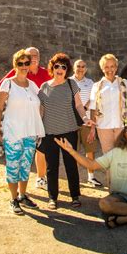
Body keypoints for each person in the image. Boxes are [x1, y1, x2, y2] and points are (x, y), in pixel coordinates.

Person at [0, 49, 45, 215]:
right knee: (13, 167)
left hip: (30, 132)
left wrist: (39, 119)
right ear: (15, 65)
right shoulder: (8, 83)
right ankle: (13, 199)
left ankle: (22, 195)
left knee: (25, 166)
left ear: (30, 65)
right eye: (20, 63)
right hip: (13, 132)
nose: (23, 66)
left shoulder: (33, 86)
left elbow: (42, 104)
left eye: (26, 63)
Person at [37, 53, 94, 210]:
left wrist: (85, 118)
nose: (60, 69)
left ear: (67, 69)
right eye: (57, 66)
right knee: (52, 166)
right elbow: (41, 110)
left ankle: (75, 196)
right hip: (49, 133)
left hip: (69, 131)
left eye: (63, 67)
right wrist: (37, 129)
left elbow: (78, 106)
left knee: (71, 165)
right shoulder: (44, 87)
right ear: (52, 68)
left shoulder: (71, 85)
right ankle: (52, 198)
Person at [89, 54, 127, 155]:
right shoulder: (96, 86)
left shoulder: (124, 83)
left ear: (116, 67)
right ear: (102, 69)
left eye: (112, 66)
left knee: (122, 154)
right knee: (108, 155)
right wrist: (92, 129)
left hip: (121, 125)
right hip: (103, 126)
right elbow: (93, 108)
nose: (110, 69)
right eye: (106, 67)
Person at [69, 59, 102, 187]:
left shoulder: (90, 83)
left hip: (87, 121)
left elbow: (93, 99)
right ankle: (75, 179)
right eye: (78, 66)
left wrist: (84, 109)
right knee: (73, 151)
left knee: (90, 150)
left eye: (83, 66)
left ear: (86, 69)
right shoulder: (68, 82)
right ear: (74, 68)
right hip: (71, 122)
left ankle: (91, 177)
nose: (80, 69)